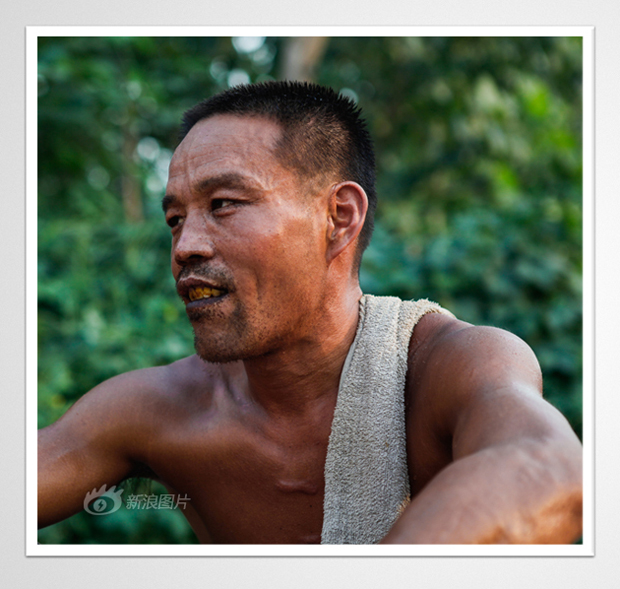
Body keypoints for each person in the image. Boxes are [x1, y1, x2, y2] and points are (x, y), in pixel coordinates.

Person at [38, 81, 582, 544]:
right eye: (175, 219)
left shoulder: (450, 364)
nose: (185, 246)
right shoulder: (159, 412)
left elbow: (552, 470)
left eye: (223, 203)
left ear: (339, 216)